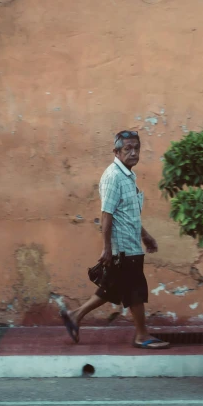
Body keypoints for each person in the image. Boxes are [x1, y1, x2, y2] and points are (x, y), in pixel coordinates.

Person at [59, 130, 169, 350]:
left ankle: (74, 316)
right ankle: (142, 335)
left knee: (112, 289)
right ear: (116, 151)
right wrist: (107, 248)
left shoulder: (128, 175)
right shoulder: (113, 176)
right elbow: (106, 215)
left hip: (131, 244)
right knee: (136, 290)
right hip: (123, 249)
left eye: (136, 148)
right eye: (128, 148)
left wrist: (145, 236)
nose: (133, 152)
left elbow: (128, 214)